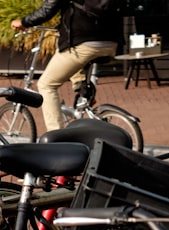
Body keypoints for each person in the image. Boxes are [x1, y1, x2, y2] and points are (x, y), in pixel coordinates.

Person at [10, 0, 120, 133]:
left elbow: (47, 10)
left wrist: (23, 22)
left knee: (46, 85)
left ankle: (57, 138)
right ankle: (83, 90)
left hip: (83, 42)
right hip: (111, 42)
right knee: (66, 53)